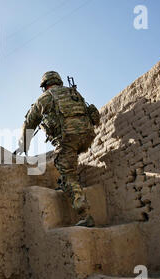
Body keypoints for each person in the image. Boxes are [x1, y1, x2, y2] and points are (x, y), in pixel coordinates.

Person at [16, 71, 100, 227]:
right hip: (87, 136)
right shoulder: (74, 93)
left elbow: (29, 122)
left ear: (45, 86)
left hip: (68, 139)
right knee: (65, 163)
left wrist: (23, 144)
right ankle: (63, 181)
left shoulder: (46, 97)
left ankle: (85, 214)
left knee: (69, 174)